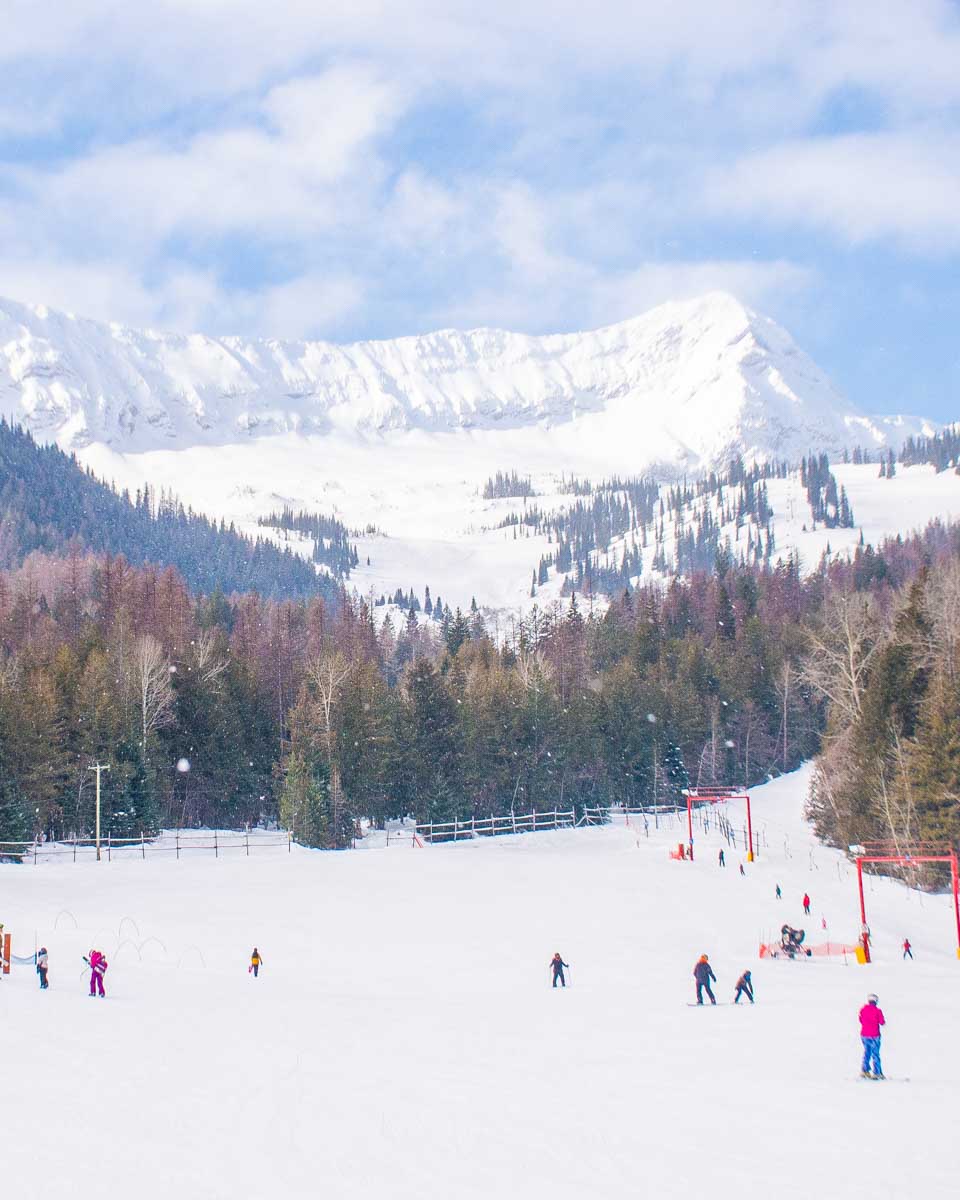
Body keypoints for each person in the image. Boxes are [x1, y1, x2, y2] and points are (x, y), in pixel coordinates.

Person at [859, 993, 886, 1079]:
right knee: (875, 1054)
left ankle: (864, 1070)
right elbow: (882, 1022)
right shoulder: (878, 1011)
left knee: (867, 1052)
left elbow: (860, 1020)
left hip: (864, 1035)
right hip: (874, 1035)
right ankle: (877, 1072)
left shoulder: (863, 1010)